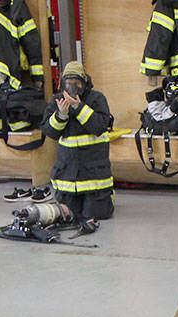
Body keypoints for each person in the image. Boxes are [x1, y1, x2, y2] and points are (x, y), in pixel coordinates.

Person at [41, 61, 115, 221]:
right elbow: (50, 132)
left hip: (94, 176)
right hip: (68, 176)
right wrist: (61, 115)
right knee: (69, 215)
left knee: (95, 215)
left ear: (85, 82)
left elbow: (99, 126)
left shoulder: (96, 99)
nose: (73, 87)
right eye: (68, 83)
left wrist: (79, 107)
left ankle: (107, 197)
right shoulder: (57, 101)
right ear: (62, 83)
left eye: (77, 83)